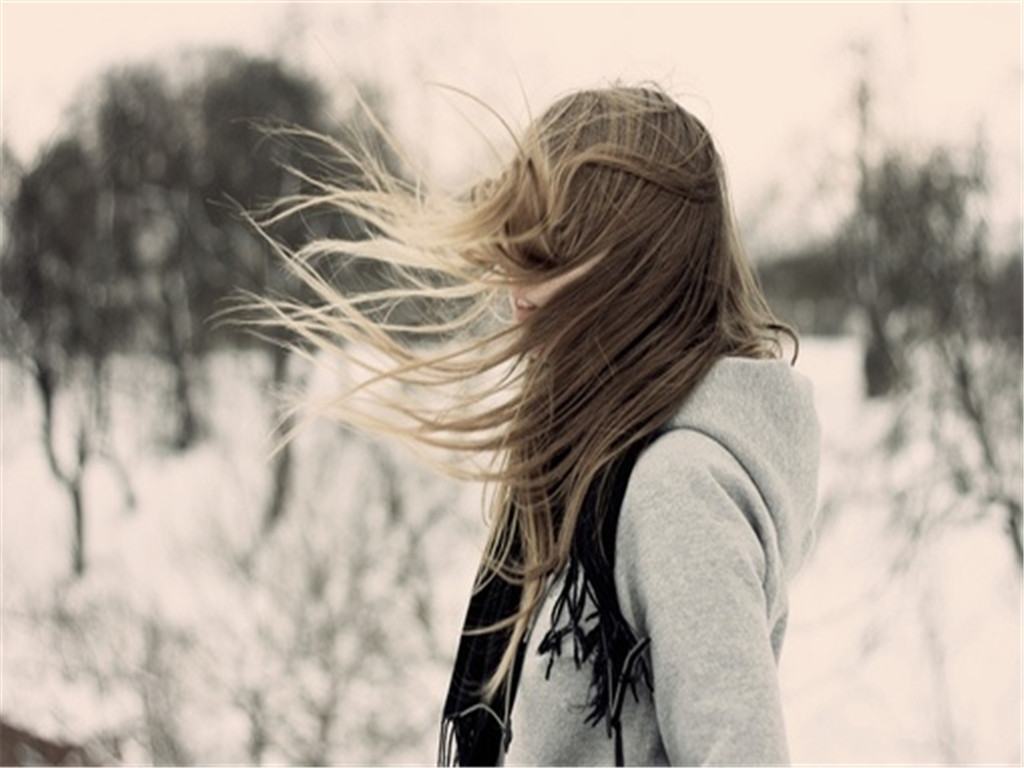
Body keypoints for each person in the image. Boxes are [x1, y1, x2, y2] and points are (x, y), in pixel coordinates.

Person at [228, 79, 821, 766]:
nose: (518, 295)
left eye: (545, 258)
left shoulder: (675, 487)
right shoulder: (595, 465)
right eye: (517, 250)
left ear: (631, 274)